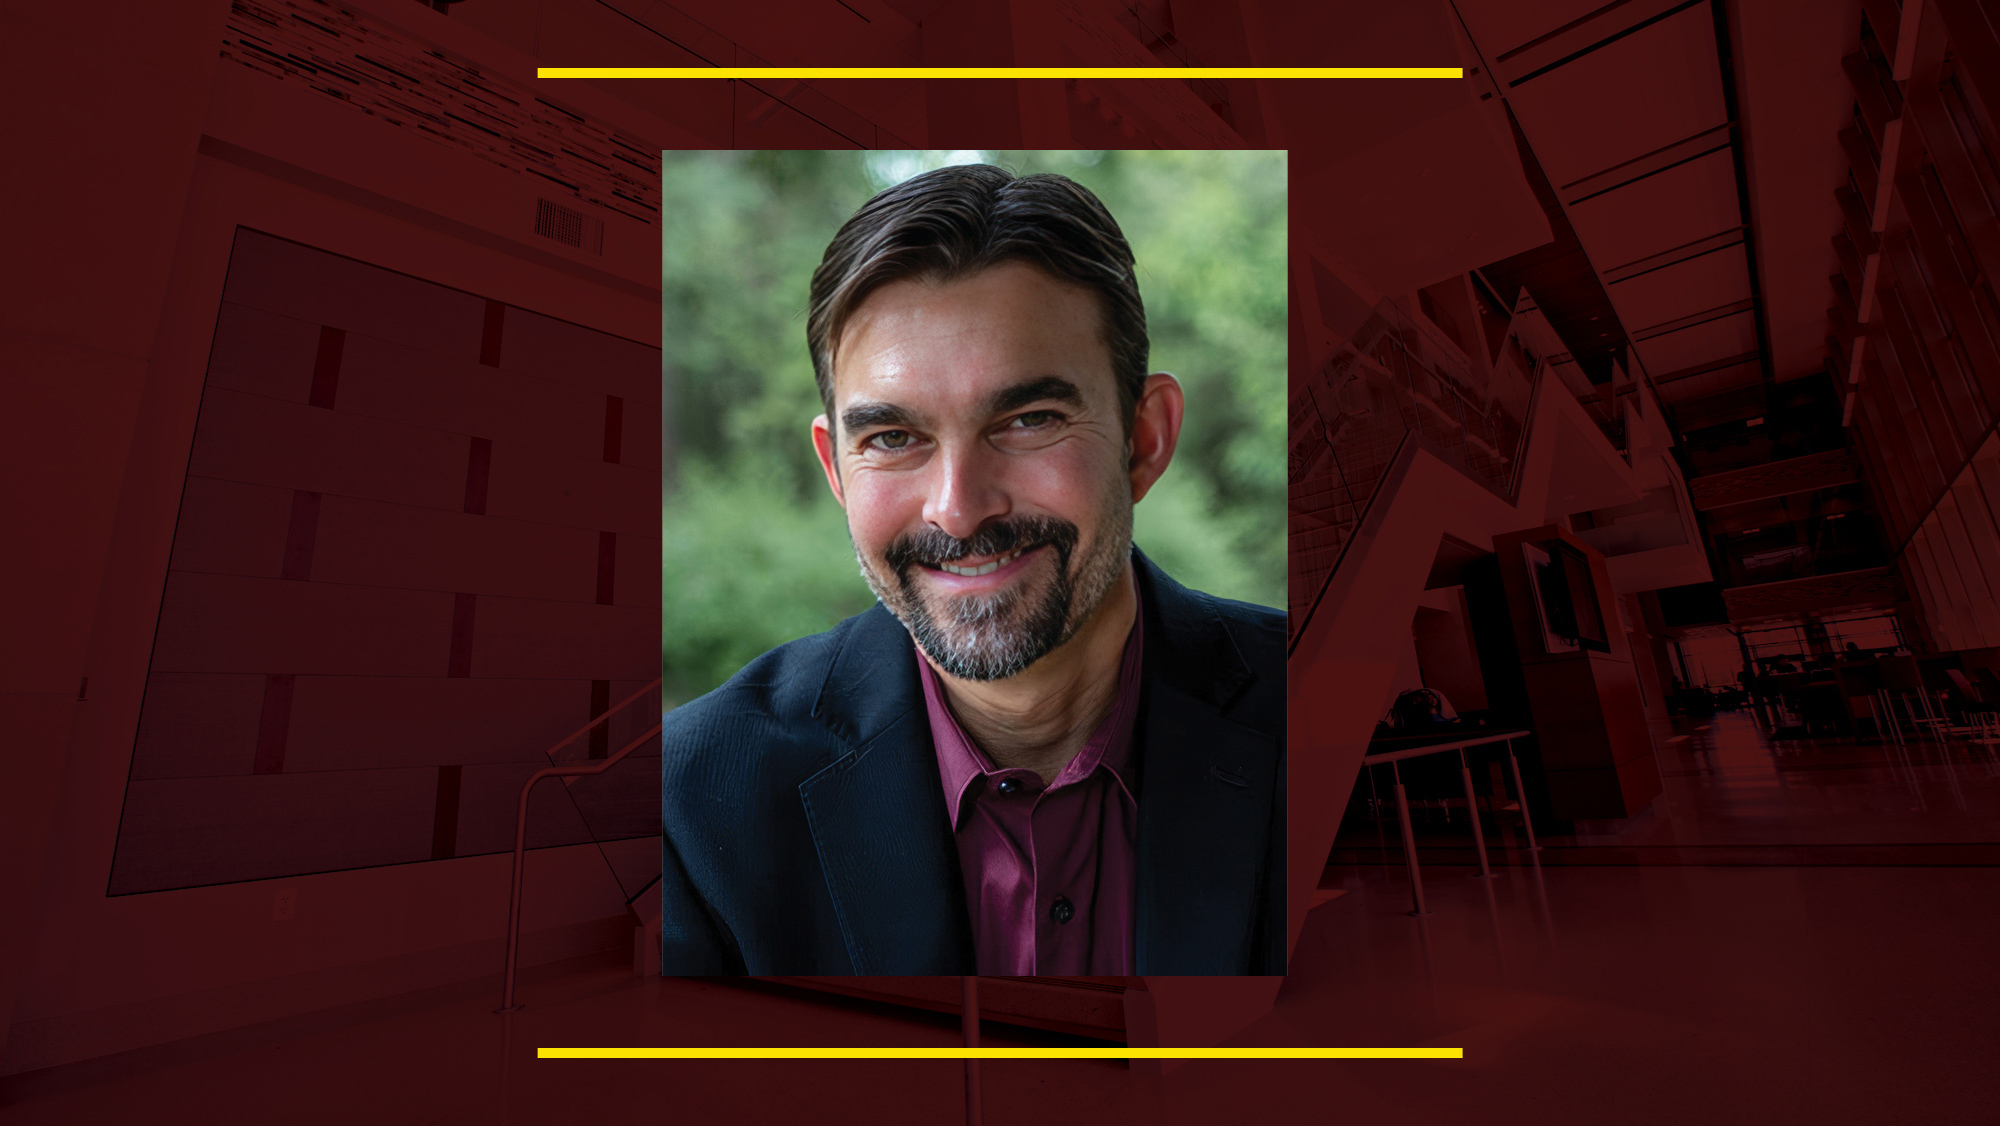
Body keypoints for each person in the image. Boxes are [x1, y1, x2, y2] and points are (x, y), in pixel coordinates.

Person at [658, 165, 1286, 976]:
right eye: (891, 438)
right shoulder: (688, 804)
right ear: (837, 469)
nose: (957, 510)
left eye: (1028, 420)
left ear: (1146, 438)